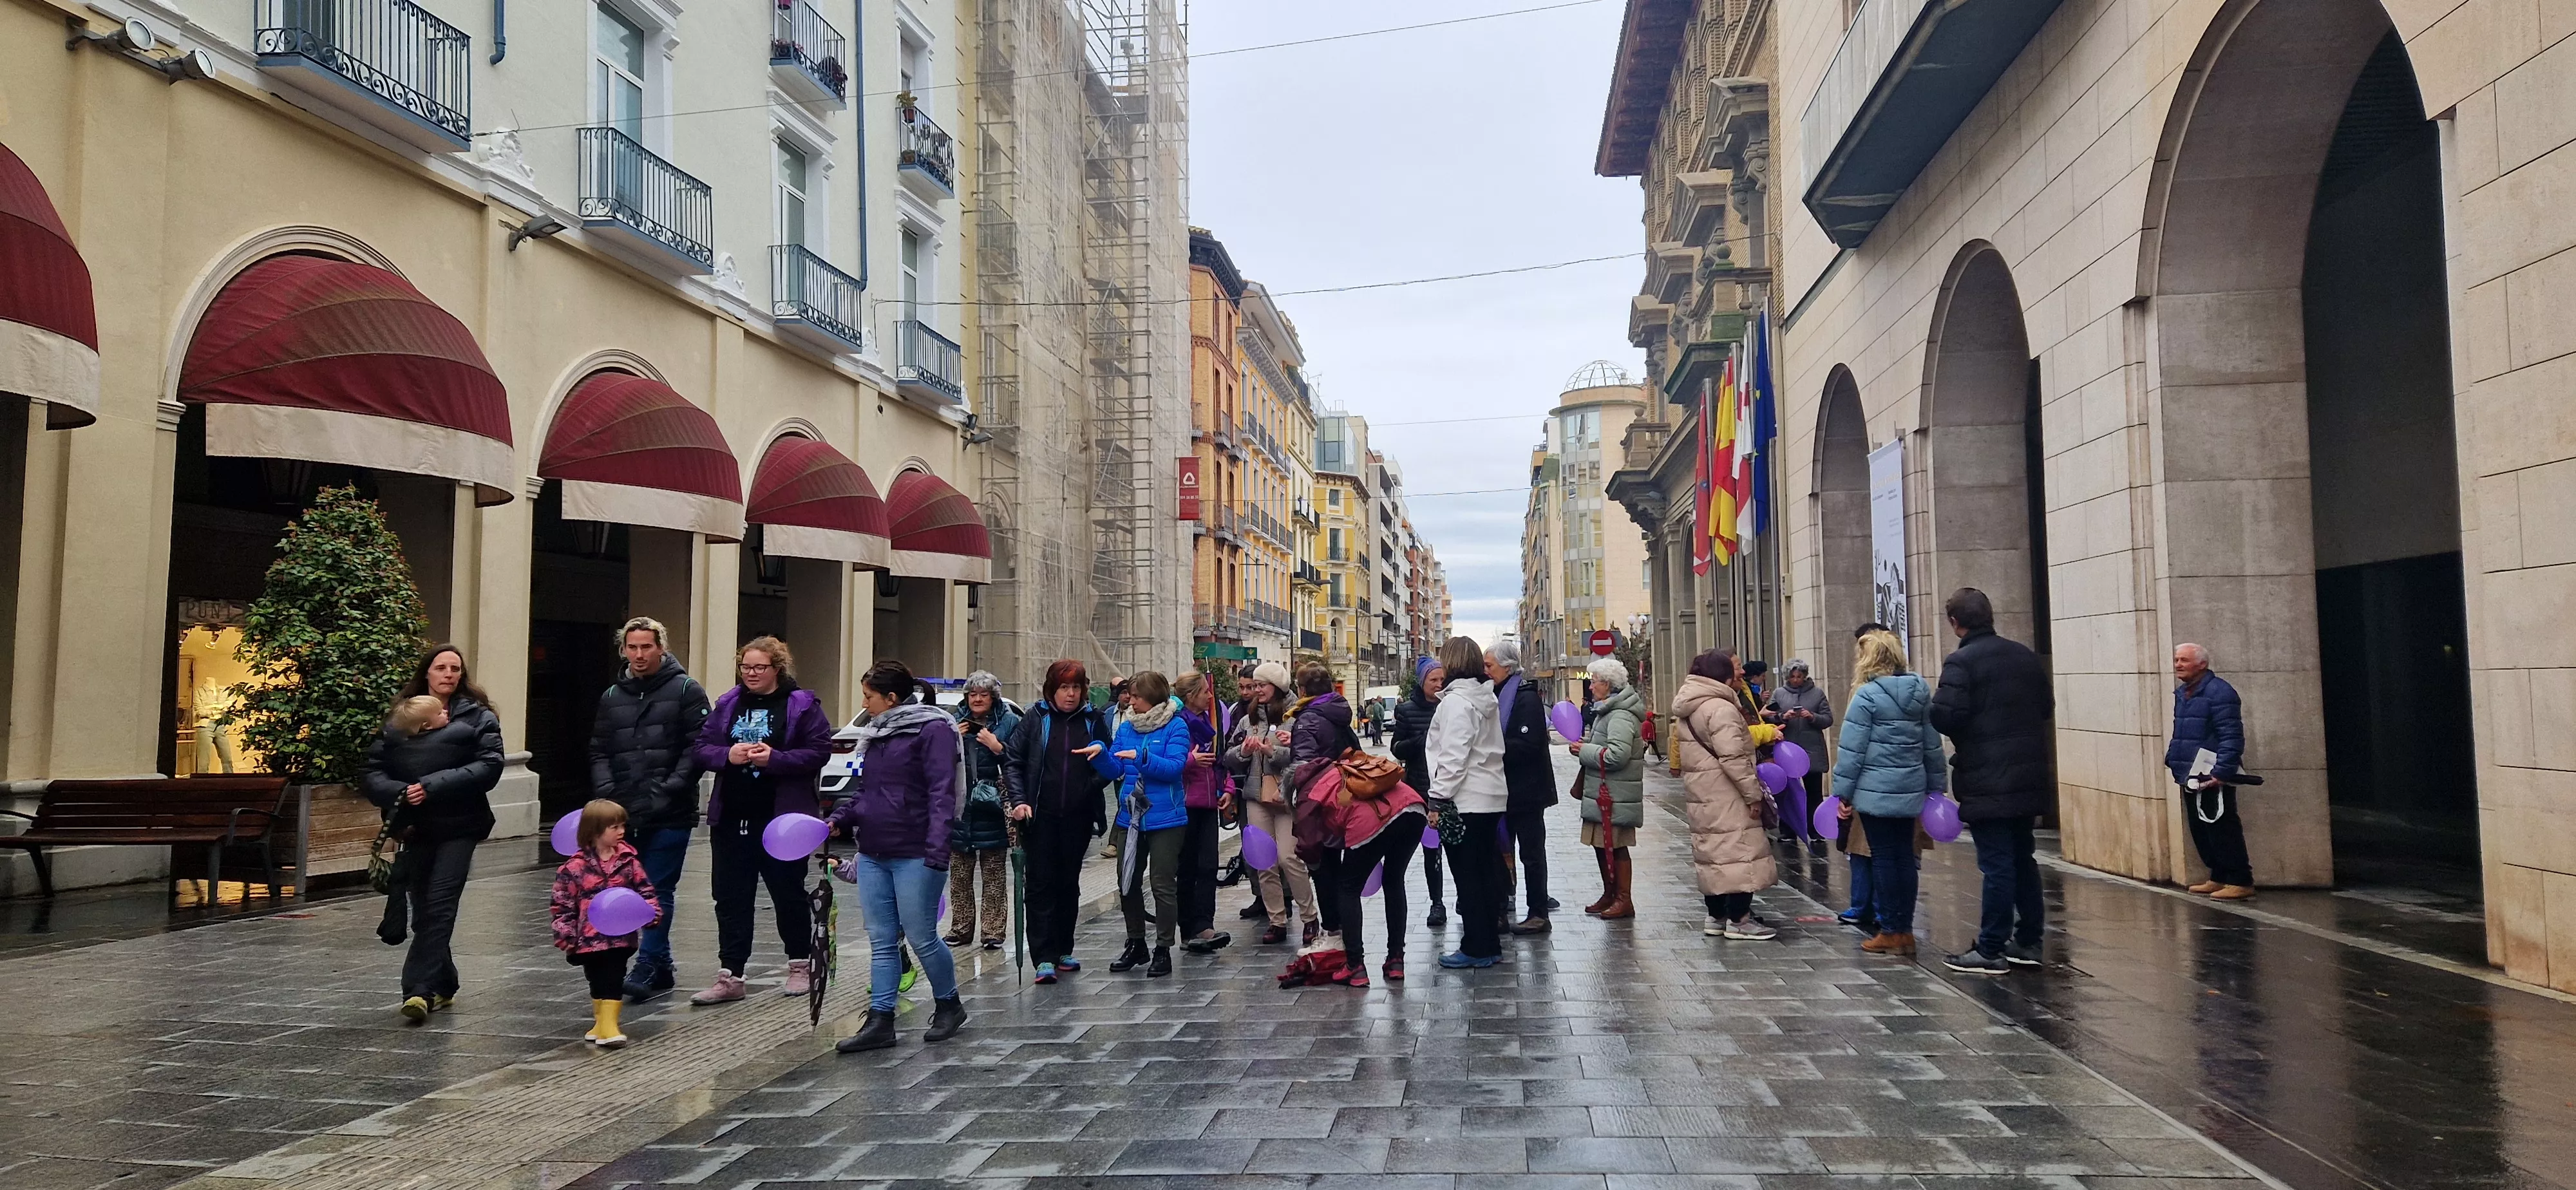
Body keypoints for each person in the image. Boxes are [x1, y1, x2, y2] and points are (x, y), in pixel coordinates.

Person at [686, 636, 832, 1005]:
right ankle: (730, 975)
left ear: (777, 669)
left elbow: (819, 751)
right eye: (745, 667)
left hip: (781, 819)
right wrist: (728, 754)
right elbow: (701, 748)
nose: (751, 674)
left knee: (787, 892)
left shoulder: (801, 705)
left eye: (759, 668)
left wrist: (776, 760)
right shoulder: (729, 703)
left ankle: (800, 965)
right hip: (732, 815)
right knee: (730, 896)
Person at [362, 645, 504, 1023]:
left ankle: (418, 991)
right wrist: (399, 795)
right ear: (427, 672)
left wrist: (433, 785)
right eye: (441, 667)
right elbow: (374, 770)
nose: (449, 674)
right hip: (416, 827)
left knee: (440, 903)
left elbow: (490, 766)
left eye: (455, 668)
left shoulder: (478, 716)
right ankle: (446, 982)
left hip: (461, 825)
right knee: (424, 908)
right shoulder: (403, 715)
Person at [830, 660, 967, 1050]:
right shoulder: (876, 733)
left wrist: (938, 849)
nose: (864, 703)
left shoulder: (934, 729)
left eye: (869, 696)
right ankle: (880, 1019)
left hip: (916, 850)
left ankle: (949, 1005)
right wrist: (839, 818)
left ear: (891, 698)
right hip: (874, 849)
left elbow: (942, 793)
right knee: (882, 940)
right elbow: (866, 791)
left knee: (923, 935)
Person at [1928, 589, 2056, 975]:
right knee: (2022, 858)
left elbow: (1946, 718)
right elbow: (2046, 708)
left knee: (1998, 864)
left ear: (1955, 623)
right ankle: (2029, 940)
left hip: (1987, 777)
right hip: (2027, 774)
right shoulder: (2023, 655)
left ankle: (1991, 948)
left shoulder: (1961, 662)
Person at [587, 616, 710, 1001]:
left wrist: (669, 788)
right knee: (628, 886)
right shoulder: (612, 695)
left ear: (662, 648)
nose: (639, 655)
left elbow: (698, 749)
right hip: (623, 810)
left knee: (657, 888)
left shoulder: (687, 690)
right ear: (623, 650)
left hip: (670, 809)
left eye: (647, 647)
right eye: (632, 647)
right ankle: (662, 967)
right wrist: (608, 792)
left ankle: (647, 963)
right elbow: (600, 749)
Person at [1832, 630, 1947, 958]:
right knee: (1905, 859)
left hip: (1874, 792)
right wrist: (1937, 786)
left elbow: (1852, 751)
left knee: (1883, 858)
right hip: (1910, 788)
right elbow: (1931, 743)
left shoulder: (1866, 697)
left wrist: (1843, 795)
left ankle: (1890, 931)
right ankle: (1905, 931)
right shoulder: (1919, 691)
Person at [1005, 659, 1114, 985]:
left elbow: (1107, 761)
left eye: (1076, 688)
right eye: (1065, 687)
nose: (1071, 694)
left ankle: (1064, 947)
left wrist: (1088, 788)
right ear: (1052, 689)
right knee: (1040, 885)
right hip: (1040, 816)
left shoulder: (1093, 719)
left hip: (1077, 816)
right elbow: (1013, 760)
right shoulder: (1035, 718)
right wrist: (1020, 801)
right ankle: (1043, 957)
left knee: (1069, 883)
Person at [1673, 649, 1779, 939]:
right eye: (1733, 669)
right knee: (1738, 852)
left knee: (1714, 854)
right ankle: (1740, 919)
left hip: (1703, 793)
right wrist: (1752, 794)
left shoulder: (1693, 705)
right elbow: (1733, 758)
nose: (1740, 673)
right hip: (1728, 793)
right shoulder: (1720, 708)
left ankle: (1716, 916)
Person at [1092, 670, 1192, 976]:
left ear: (1150, 697)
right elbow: (1114, 768)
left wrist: (1142, 757)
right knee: (1127, 882)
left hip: (1166, 819)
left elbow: (1174, 768)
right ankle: (1136, 942)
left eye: (1135, 696)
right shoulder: (1127, 727)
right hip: (1131, 818)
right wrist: (1099, 755)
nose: (1129, 701)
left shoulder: (1176, 726)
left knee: (1163, 885)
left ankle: (1163, 948)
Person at [549, 798, 661, 1048]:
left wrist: (651, 913)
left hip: (620, 935)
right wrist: (565, 932)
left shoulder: (629, 862)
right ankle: (600, 1023)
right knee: (597, 978)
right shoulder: (573, 867)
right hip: (588, 937)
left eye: (622, 825)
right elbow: (562, 903)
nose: (622, 831)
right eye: (614, 827)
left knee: (614, 975)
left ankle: (610, 1026)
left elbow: (645, 891)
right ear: (595, 830)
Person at [1427, 636, 1510, 968]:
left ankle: (1476, 946)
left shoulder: (1457, 703)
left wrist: (1437, 798)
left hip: (1464, 800)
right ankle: (1488, 942)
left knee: (1468, 876)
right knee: (1486, 872)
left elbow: (1453, 756)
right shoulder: (1485, 698)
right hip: (1490, 796)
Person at [1226, 661, 1323, 945]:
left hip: (1286, 796)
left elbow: (1305, 756)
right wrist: (1243, 752)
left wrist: (1276, 752)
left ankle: (1309, 916)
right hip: (1257, 796)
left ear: (1277, 686)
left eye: (1261, 685)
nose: (1256, 690)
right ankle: (1276, 920)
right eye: (1254, 685)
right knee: (1263, 861)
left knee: (1288, 858)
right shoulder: (1249, 717)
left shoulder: (1297, 716)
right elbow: (1229, 757)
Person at [2168, 642, 2253, 900]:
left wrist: (2222, 772)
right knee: (2200, 827)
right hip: (2189, 773)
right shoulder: (2184, 693)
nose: (2178, 665)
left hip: (2210, 774)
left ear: (2202, 664)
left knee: (2222, 826)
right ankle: (2219, 876)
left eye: (2184, 660)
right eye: (2176, 660)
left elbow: (2231, 736)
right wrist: (2174, 760)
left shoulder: (2219, 693)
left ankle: (2240, 879)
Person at [943, 671, 1020, 951]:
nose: (977, 699)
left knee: (994, 873)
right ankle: (961, 928)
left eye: (983, 695)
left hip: (994, 807)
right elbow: (937, 760)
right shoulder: (953, 722)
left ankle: (993, 931)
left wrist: (997, 747)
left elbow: (1021, 759)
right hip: (961, 806)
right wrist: (952, 741)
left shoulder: (1010, 722)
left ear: (993, 697)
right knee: (960, 874)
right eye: (972, 694)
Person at [1569, 656, 1646, 921]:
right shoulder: (1609, 711)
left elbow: (1617, 755)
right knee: (1603, 845)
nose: (1591, 687)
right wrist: (1585, 749)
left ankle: (1623, 899)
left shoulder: (1620, 715)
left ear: (1608, 684)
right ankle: (1611, 894)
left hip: (1615, 795)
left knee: (1616, 846)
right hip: (1606, 793)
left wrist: (1585, 750)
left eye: (1594, 682)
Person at [1284, 664, 1354, 944]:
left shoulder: (1308, 718)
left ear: (1302, 691)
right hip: (1345, 795)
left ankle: (1334, 929)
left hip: (1321, 800)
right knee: (1339, 866)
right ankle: (1345, 927)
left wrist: (1295, 798)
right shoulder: (1338, 711)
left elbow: (1304, 766)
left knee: (1322, 866)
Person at [1489, 639, 1555, 932]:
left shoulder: (1525, 698)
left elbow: (1530, 744)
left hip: (1527, 792)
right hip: (1503, 792)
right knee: (1500, 853)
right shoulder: (1497, 694)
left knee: (1531, 854)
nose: (1485, 671)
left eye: (1489, 666)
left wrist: (1491, 747)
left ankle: (1538, 912)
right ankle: (1501, 908)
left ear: (1506, 667)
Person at [1173, 672, 1233, 954]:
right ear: (1190, 697)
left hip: (1210, 801)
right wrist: (1190, 760)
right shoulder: (1177, 723)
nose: (1210, 696)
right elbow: (1166, 762)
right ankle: (1188, 929)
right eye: (1205, 692)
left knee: (1209, 865)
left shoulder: (1211, 723)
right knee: (1187, 868)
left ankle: (1205, 923)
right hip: (1185, 804)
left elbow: (1221, 760)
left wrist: (1228, 788)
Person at [1388, 659, 1448, 929]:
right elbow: (1397, 748)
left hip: (1453, 789)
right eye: (1433, 680)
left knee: (1458, 850)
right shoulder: (1407, 711)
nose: (1439, 685)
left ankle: (1463, 898)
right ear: (1422, 682)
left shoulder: (1452, 707)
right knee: (1431, 850)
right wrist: (1419, 742)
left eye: (1442, 680)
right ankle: (1437, 903)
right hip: (1422, 790)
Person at [1763, 660, 1833, 846]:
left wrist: (1812, 717)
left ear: (1805, 676)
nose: (1796, 680)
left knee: (1814, 792)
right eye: (1792, 677)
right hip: (1787, 750)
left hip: (1812, 749)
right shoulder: (1779, 694)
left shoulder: (1817, 694)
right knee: (1788, 791)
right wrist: (1782, 717)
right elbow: (1766, 716)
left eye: (1799, 676)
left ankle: (1816, 830)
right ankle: (1788, 831)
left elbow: (1828, 719)